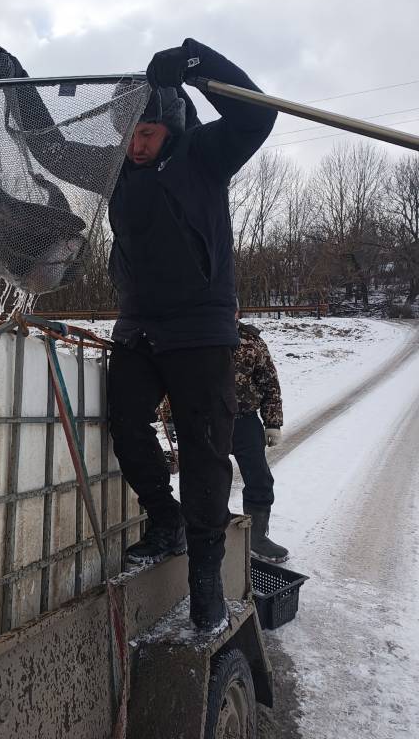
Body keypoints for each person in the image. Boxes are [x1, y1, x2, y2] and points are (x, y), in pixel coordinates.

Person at [107, 38, 277, 630]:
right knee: (126, 423)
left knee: (205, 447)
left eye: (147, 134)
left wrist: (197, 63)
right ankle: (163, 519)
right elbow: (57, 157)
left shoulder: (205, 154)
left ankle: (206, 573)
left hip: (202, 327)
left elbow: (258, 111)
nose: (136, 146)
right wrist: (25, 109)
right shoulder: (118, 173)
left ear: (170, 126)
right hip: (138, 323)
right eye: (129, 135)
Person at [233, 307, 289, 563]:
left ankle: (256, 537)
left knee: (259, 480)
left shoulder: (251, 341)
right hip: (207, 423)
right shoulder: (199, 336)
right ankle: (212, 533)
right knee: (210, 479)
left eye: (231, 308)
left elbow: (270, 384)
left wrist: (272, 423)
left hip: (244, 421)